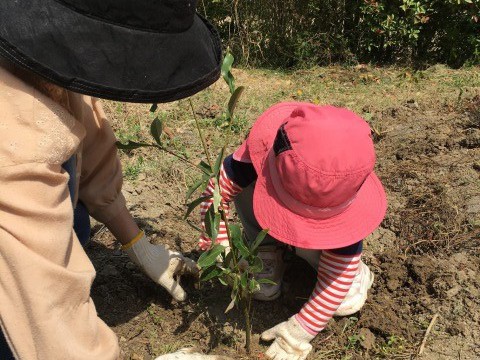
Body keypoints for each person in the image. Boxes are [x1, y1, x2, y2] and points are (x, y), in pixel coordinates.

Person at [0, 0, 223, 359]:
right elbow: (47, 321)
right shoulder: (15, 137)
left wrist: (136, 242)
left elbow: (89, 135)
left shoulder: (41, 53)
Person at [199, 102, 388, 360]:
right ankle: (263, 246)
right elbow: (216, 194)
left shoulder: (342, 208)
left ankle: (353, 273)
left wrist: (298, 332)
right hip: (263, 205)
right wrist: (221, 249)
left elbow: (311, 318)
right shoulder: (267, 155)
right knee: (249, 187)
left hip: (325, 247)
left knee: (342, 301)